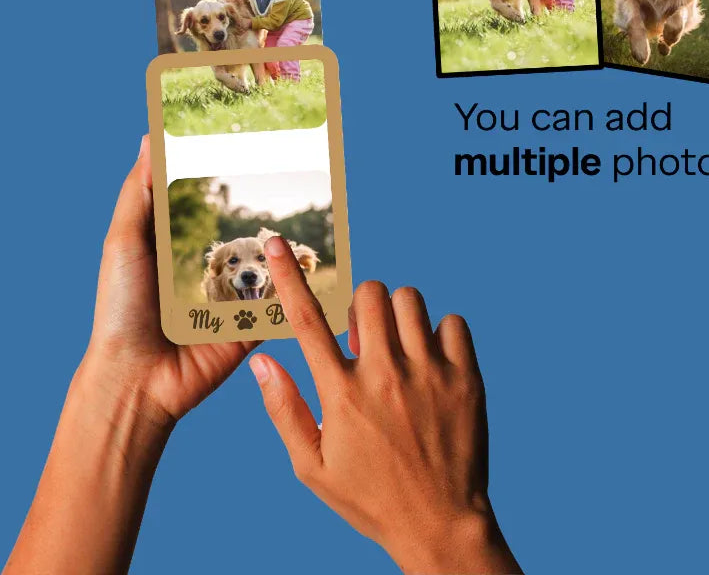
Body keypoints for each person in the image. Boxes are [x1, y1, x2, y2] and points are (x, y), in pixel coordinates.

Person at [4, 137, 522, 575]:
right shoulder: (209, 291)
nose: (249, 271)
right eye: (234, 264)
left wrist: (128, 392)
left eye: (258, 263)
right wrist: (448, 524)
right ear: (218, 273)